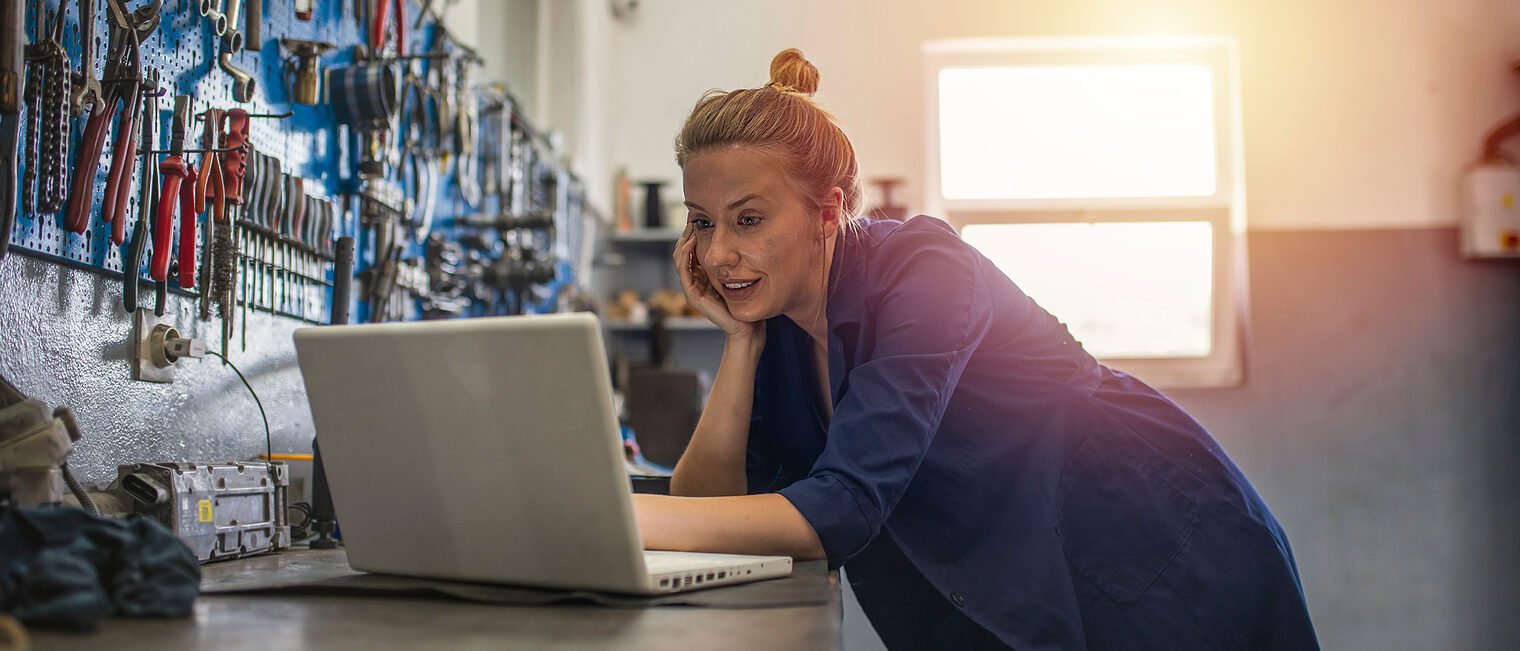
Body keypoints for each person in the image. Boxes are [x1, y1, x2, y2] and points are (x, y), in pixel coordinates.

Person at [630, 48, 1320, 650]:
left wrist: (627, 516)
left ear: (828, 211)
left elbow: (842, 508)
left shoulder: (925, 271)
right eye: (702, 222)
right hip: (1008, 583)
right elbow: (709, 508)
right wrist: (742, 339)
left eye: (748, 219)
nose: (718, 253)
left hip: (1153, 548)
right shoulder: (775, 319)